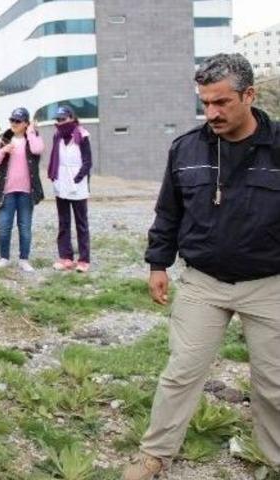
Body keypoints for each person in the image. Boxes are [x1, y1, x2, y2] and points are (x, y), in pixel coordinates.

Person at [123, 53, 280, 480]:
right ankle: (155, 454)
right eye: (205, 103)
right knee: (181, 372)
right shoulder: (186, 148)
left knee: (274, 383)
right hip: (203, 283)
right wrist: (158, 263)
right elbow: (168, 212)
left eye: (221, 103)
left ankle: (275, 457)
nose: (211, 113)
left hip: (269, 285)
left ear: (250, 95)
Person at [0, 107, 45, 272]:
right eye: (12, 120)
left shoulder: (33, 139)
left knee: (25, 227)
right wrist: (3, 151)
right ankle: (4, 258)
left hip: (27, 192)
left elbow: (37, 150)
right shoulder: (4, 140)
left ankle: (24, 259)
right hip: (7, 192)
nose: (13, 123)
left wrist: (32, 132)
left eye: (18, 121)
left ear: (26, 123)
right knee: (4, 227)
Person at [47, 105, 92, 273]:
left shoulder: (83, 135)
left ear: (72, 118)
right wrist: (57, 179)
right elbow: (55, 159)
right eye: (58, 120)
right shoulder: (57, 136)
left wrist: (78, 179)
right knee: (63, 223)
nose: (60, 122)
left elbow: (88, 162)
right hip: (61, 185)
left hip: (77, 186)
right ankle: (66, 257)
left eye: (63, 119)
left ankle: (84, 259)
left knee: (81, 224)